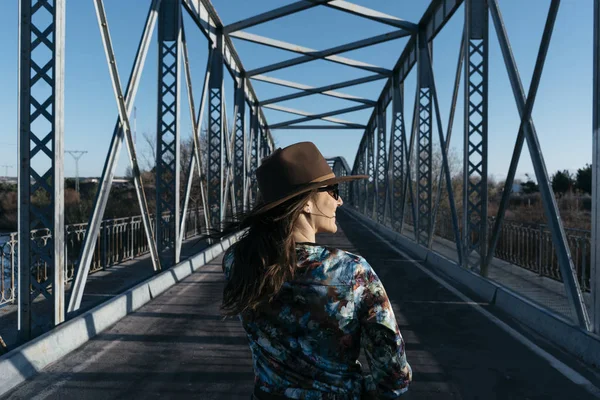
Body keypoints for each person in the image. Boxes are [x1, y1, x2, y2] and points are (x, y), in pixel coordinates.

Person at [221, 142, 412, 399]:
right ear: (307, 204)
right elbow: (395, 377)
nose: (340, 200)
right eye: (333, 190)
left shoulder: (237, 261)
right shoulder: (354, 273)